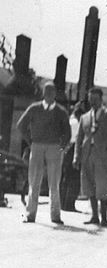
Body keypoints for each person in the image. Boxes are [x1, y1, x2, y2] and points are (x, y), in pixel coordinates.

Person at [16, 81, 71, 224]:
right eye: (47, 92)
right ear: (43, 93)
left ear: (55, 95)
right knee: (34, 180)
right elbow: (21, 125)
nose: (49, 95)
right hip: (37, 146)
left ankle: (55, 215)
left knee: (54, 182)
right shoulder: (34, 108)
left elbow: (68, 133)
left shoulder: (61, 112)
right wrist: (31, 142)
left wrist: (61, 148)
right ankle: (30, 214)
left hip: (54, 148)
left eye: (52, 93)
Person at [74, 87, 107, 227]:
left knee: (104, 188)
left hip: (104, 157)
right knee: (90, 187)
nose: (92, 102)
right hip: (88, 155)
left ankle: (104, 218)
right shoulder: (84, 117)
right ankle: (94, 216)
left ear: (101, 99)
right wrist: (77, 156)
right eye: (90, 100)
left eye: (95, 100)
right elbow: (79, 139)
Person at [60, 105, 83, 212]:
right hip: (74, 148)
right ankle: (70, 204)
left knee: (65, 177)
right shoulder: (77, 123)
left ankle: (63, 203)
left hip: (66, 149)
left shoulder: (69, 120)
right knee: (74, 178)